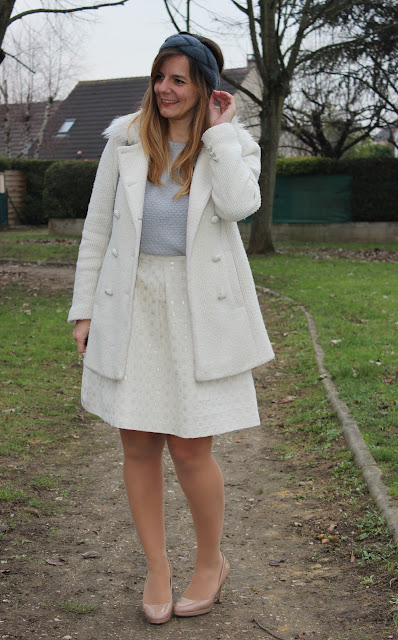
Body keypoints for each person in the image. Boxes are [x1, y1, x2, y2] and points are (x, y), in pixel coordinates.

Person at [68, 32, 274, 625]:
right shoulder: (124, 140)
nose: (165, 89)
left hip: (197, 308)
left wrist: (218, 136)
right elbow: (97, 230)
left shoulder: (230, 144)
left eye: (180, 79)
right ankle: (156, 566)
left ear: (204, 86)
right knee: (136, 443)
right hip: (132, 305)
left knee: (190, 449)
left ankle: (210, 561)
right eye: (160, 76)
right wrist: (84, 310)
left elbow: (240, 207)